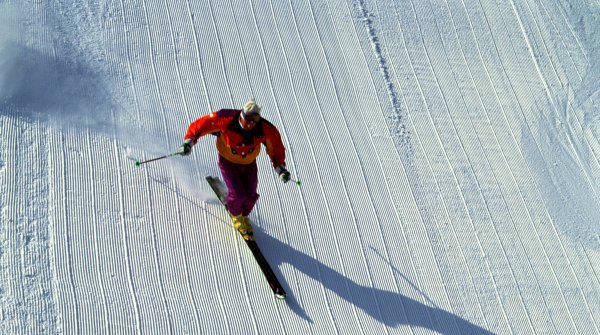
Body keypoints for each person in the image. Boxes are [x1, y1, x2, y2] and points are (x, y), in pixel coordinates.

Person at [178, 99, 290, 240]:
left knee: (250, 195)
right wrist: (189, 141)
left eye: (255, 120)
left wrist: (280, 168)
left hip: (249, 165)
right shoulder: (226, 119)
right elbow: (202, 124)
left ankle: (243, 216)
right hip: (228, 163)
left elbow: (276, 146)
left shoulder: (264, 128)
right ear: (242, 116)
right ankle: (236, 215)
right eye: (249, 119)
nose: (251, 123)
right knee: (238, 194)